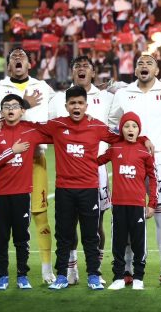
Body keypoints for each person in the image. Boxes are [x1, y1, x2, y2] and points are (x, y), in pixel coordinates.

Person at [0, 48, 55, 286]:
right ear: (9, 66)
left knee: (40, 216)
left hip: (35, 159)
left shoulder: (44, 88)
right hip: (7, 162)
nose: (18, 58)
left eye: (23, 56)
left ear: (29, 64)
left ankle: (46, 270)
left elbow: (52, 122)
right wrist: (25, 105)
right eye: (14, 56)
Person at [108, 54, 161, 286]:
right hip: (129, 162)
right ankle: (128, 270)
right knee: (130, 218)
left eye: (149, 63)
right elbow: (114, 122)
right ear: (135, 70)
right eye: (140, 63)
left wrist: (160, 139)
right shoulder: (123, 93)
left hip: (159, 160)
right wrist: (139, 139)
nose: (144, 66)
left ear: (157, 69)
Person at [38, 86, 125, 290]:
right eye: (72, 103)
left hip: (88, 189)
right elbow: (32, 130)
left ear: (86, 105)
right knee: (64, 235)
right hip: (64, 190)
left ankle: (93, 276)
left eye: (80, 103)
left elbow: (120, 139)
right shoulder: (57, 125)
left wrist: (143, 140)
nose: (76, 106)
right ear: (66, 106)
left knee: (90, 235)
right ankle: (61, 276)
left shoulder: (97, 126)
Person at [49, 55, 114, 285]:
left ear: (94, 73)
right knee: (66, 228)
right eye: (77, 66)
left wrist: (103, 159)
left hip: (96, 172)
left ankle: (96, 270)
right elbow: (44, 128)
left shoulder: (108, 96)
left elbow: (122, 132)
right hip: (68, 177)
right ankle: (70, 270)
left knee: (95, 226)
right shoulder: (58, 99)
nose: (82, 69)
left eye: (87, 66)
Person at [0, 94, 45, 290]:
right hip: (0, 194)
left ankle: (22, 275)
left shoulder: (30, 130)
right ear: (1, 112)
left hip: (21, 194)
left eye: (15, 106)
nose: (10, 109)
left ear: (22, 110)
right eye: (6, 106)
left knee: (21, 237)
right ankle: (2, 277)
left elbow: (56, 133)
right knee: (1, 237)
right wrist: (13, 150)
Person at [100, 112, 157, 291]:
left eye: (134, 126)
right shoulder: (115, 148)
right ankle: (118, 276)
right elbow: (96, 161)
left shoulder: (144, 151)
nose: (130, 129)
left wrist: (152, 203)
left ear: (139, 129)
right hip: (118, 204)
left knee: (139, 242)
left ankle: (139, 276)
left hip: (138, 204)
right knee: (118, 241)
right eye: (126, 126)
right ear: (121, 129)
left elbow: (153, 178)